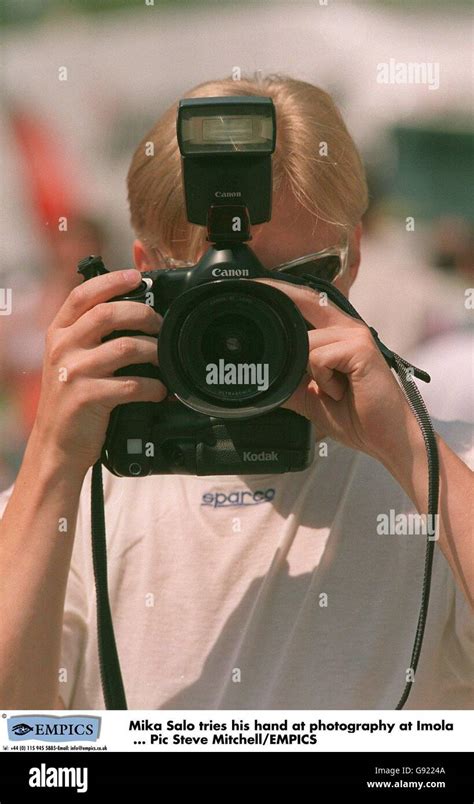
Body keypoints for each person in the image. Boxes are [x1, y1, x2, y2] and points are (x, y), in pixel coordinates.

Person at [0, 76, 472, 711]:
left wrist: (412, 452)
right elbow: (18, 730)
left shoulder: (445, 480)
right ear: (146, 273)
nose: (249, 334)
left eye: (288, 287)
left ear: (352, 258)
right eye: (220, 297)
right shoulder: (75, 500)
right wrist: (52, 464)